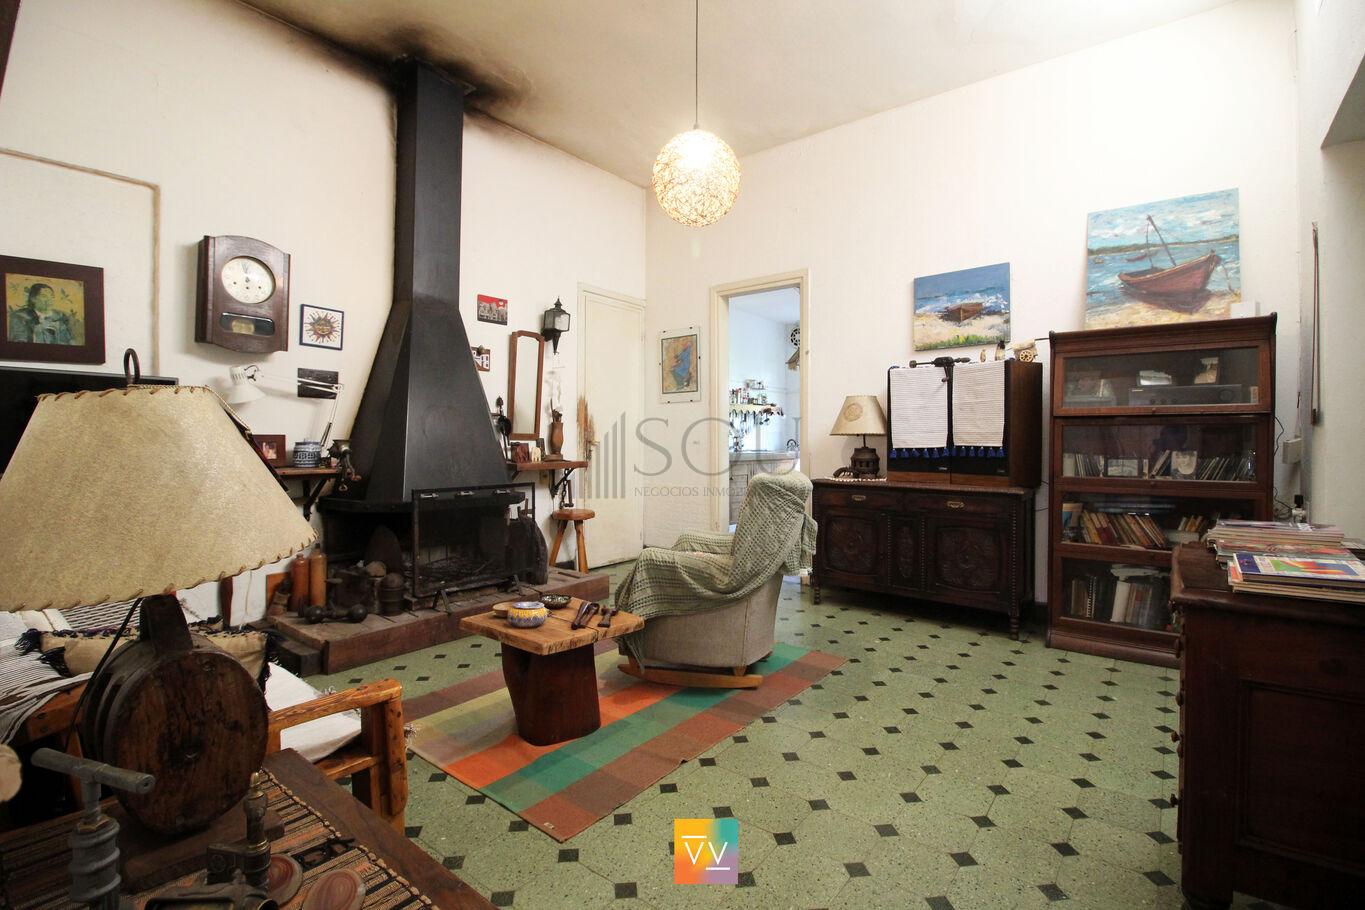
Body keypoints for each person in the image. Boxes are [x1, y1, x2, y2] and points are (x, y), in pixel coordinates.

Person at [7, 283, 75, 345]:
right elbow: (18, 341)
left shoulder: (61, 316)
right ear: (33, 298)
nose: (49, 299)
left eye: (52, 296)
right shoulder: (20, 317)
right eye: (44, 296)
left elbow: (68, 341)